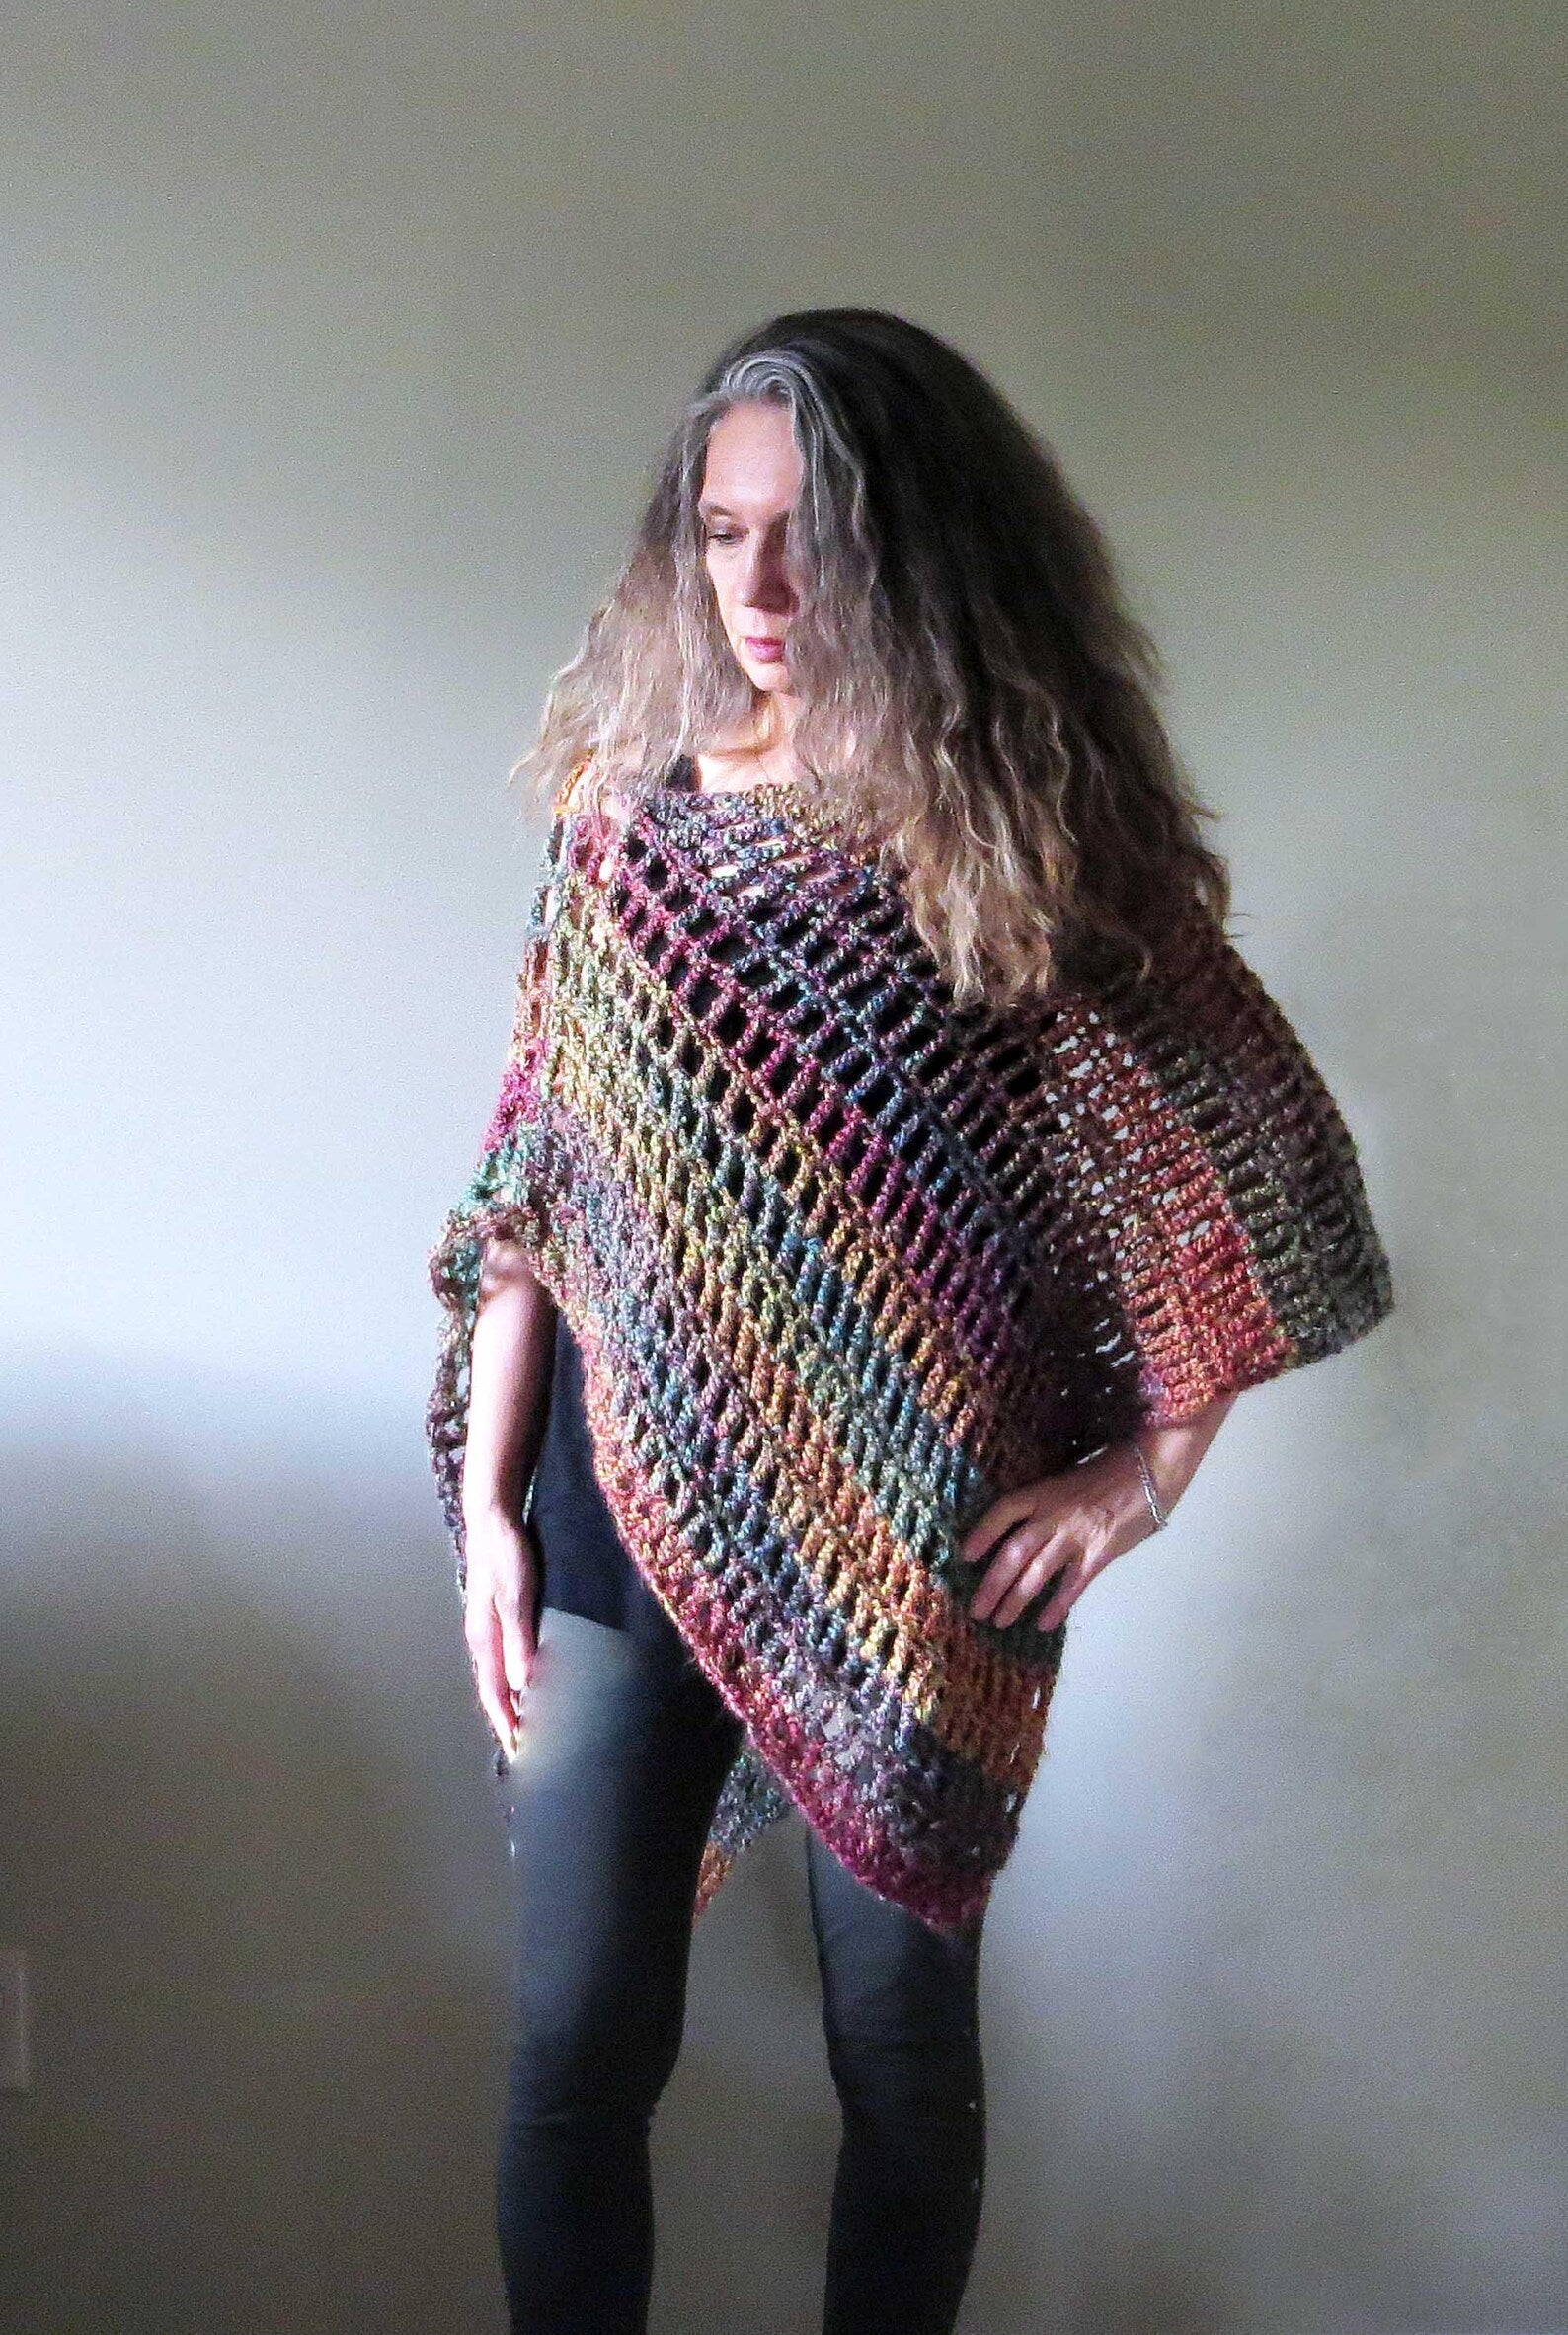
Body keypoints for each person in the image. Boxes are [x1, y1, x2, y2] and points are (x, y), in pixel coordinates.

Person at [426, 308, 1395, 2335]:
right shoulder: (628, 832)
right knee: (576, 2047)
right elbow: (530, 1199)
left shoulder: (1021, 848)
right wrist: (491, 1519)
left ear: (918, 548)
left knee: (900, 2058)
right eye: (722, 532)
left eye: (810, 535)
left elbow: (1258, 1189)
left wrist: (1134, 1483)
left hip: (916, 1538)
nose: (758, 585)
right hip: (616, 1518)